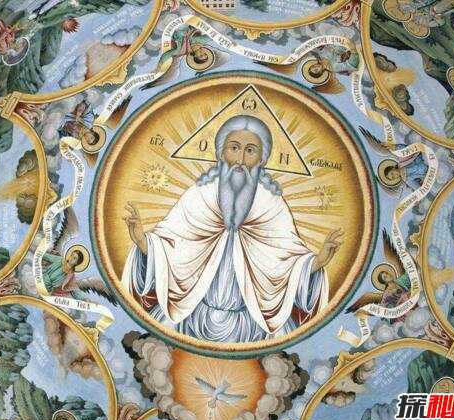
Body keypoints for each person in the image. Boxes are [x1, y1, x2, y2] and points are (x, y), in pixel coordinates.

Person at [122, 115, 343, 342]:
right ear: (221, 152)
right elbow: (169, 248)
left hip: (252, 325)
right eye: (234, 148)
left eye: (250, 151)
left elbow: (288, 262)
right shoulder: (200, 195)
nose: (240, 160)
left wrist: (317, 262)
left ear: (262, 159)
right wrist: (142, 241)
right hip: (191, 315)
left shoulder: (270, 204)